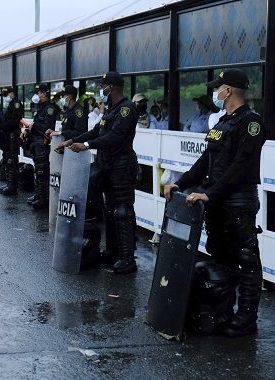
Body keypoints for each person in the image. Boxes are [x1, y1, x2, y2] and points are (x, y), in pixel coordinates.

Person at [164, 68, 266, 337]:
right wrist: (181, 183)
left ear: (228, 90)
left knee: (247, 260)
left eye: (219, 87)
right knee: (222, 258)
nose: (216, 91)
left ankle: (247, 317)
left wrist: (210, 193)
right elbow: (205, 163)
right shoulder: (222, 123)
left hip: (238, 202)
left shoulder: (251, 123)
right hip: (218, 203)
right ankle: (224, 311)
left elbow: (241, 167)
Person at [57, 72, 139, 274]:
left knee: (122, 212)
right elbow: (96, 131)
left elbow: (115, 137)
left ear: (111, 87)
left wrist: (86, 145)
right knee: (110, 210)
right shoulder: (111, 109)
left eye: (104, 86)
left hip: (121, 166)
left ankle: (128, 258)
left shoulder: (127, 109)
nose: (102, 90)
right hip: (107, 166)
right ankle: (113, 251)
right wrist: (71, 141)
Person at [25, 83, 58, 209]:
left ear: (44, 93)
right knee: (37, 169)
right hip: (36, 141)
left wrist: (35, 125)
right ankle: (38, 195)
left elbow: (48, 128)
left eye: (38, 93)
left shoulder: (50, 108)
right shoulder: (41, 107)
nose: (36, 95)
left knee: (42, 171)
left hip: (42, 142)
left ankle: (43, 198)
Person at [0, 86, 23, 195]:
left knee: (12, 160)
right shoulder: (11, 104)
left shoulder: (16, 104)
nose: (6, 97)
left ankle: (13, 186)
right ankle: (10, 183)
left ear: (12, 93)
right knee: (8, 159)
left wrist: (0, 126)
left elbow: (14, 121)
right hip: (8, 136)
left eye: (7, 94)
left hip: (13, 135)